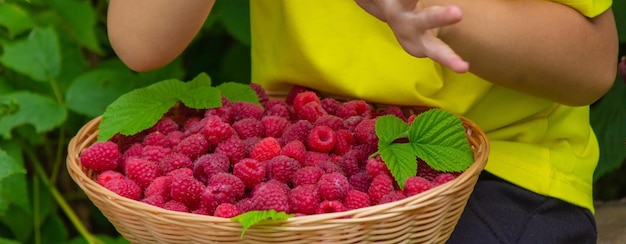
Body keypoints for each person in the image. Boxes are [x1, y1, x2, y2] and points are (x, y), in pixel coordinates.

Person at [106, 0, 618, 243]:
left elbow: (590, 65)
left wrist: (427, 8)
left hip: (494, 166)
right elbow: (140, 42)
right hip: (288, 160)